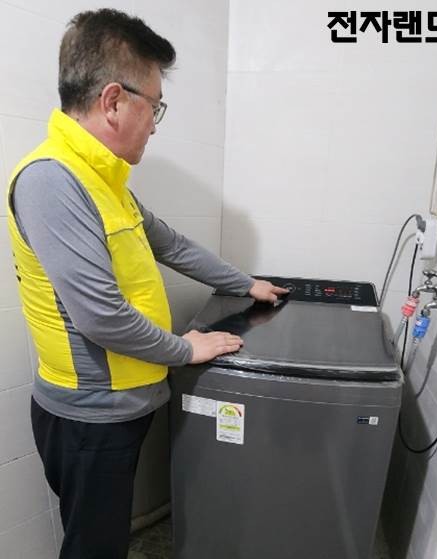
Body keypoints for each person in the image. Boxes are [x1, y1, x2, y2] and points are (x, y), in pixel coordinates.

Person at [6, 8, 287, 559]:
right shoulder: (51, 181)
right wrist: (186, 349)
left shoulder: (104, 180)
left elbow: (172, 245)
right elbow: (101, 317)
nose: (156, 124)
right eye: (154, 106)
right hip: (90, 415)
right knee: (95, 546)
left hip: (123, 405)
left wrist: (246, 283)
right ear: (113, 101)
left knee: (105, 538)